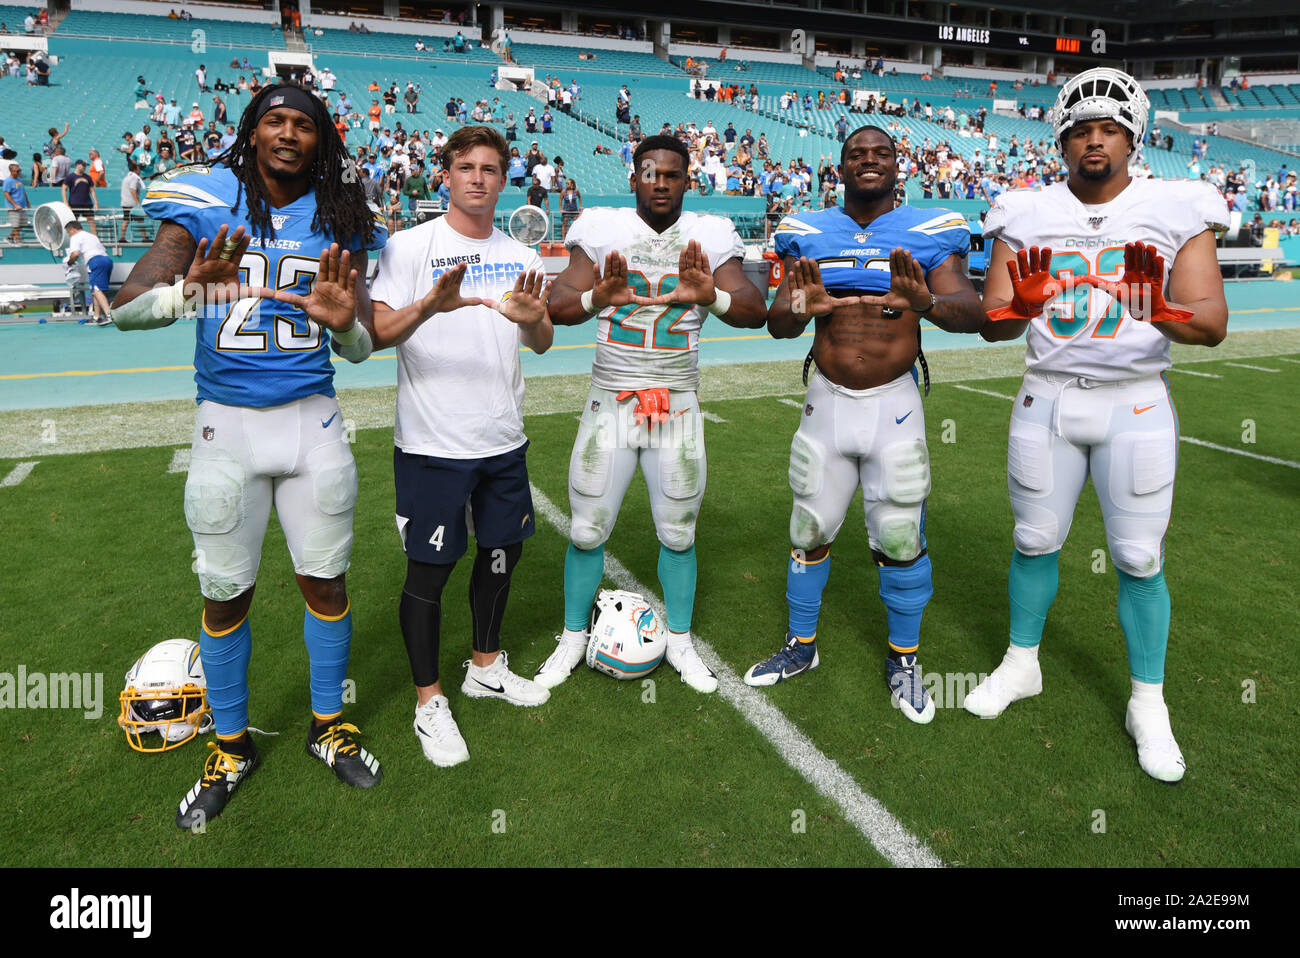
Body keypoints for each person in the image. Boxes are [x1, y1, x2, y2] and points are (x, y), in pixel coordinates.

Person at [111, 83, 390, 828]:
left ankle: (329, 724)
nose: (290, 134)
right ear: (253, 131)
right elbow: (124, 308)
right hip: (226, 427)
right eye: (276, 121)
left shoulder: (343, 213)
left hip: (313, 422)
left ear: (321, 138)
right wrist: (183, 295)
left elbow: (360, 346)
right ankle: (231, 744)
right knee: (225, 593)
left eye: (304, 123)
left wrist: (344, 329)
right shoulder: (207, 199)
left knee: (325, 583)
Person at [968, 68, 1229, 783]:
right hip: (1047, 397)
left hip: (1136, 401)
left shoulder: (1176, 204)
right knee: (1034, 538)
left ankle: (1149, 701)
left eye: (1108, 129)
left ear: (1132, 137)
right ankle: (1022, 663)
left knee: (1140, 557)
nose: (1094, 140)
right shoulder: (1023, 211)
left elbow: (1211, 324)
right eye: (1081, 128)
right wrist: (1017, 307)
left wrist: (1162, 311)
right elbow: (993, 321)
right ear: (1061, 136)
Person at [744, 125, 984, 723]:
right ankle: (802, 646)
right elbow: (778, 323)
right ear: (841, 166)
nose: (868, 162)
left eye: (880, 154)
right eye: (857, 154)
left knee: (900, 534)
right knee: (808, 527)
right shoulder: (807, 233)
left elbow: (971, 313)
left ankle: (904, 659)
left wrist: (926, 302)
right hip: (826, 401)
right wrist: (799, 309)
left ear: (899, 165)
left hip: (893, 406)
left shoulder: (930, 234)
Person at [533, 134, 768, 692]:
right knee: (588, 530)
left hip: (677, 401)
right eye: (649, 172)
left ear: (688, 180)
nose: (660, 182)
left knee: (679, 532)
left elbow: (756, 311)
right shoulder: (602, 231)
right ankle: (571, 639)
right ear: (634, 177)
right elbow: (557, 308)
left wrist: (710, 295)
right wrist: (597, 297)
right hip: (611, 398)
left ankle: (681, 643)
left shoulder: (709, 236)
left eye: (671, 174)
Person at [362, 125, 554, 766]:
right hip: (432, 445)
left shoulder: (520, 253)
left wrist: (536, 321)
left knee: (502, 554)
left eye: (490, 168)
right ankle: (428, 702)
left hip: (502, 439)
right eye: (465, 166)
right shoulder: (409, 246)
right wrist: (429, 306)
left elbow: (542, 339)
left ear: (504, 180)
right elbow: (377, 334)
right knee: (430, 571)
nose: (477, 177)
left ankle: (485, 665)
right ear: (444, 174)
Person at [64, 218, 113, 323]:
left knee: (96, 289)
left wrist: (69, 262)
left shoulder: (76, 237)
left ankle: (109, 315)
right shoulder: (92, 236)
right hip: (107, 260)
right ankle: (96, 316)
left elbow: (75, 254)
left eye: (69, 233)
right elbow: (105, 250)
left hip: (95, 261)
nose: (69, 235)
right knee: (96, 290)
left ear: (72, 229)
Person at [62, 159, 99, 235]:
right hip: (74, 203)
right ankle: (73, 239)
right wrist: (66, 202)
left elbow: (92, 191)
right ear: (77, 165)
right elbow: (64, 189)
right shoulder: (70, 177)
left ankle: (95, 238)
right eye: (83, 165)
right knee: (73, 222)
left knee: (91, 220)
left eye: (85, 166)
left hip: (87, 203)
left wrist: (96, 202)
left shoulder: (88, 177)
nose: (84, 167)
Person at [3, 161, 30, 243]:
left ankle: (10, 238)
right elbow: (6, 194)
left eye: (19, 170)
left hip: (22, 206)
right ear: (11, 171)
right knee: (16, 224)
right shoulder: (8, 181)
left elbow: (23, 192)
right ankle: (18, 241)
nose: (19, 172)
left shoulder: (19, 179)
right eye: (17, 171)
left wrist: (28, 203)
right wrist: (14, 204)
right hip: (13, 207)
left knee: (23, 223)